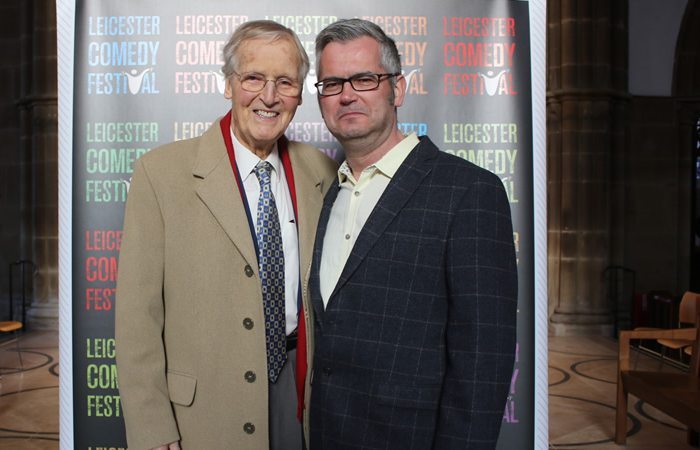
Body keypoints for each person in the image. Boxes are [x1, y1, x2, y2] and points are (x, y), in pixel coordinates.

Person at [115, 20, 337, 450]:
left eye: (285, 82)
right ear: (228, 84)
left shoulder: (323, 173)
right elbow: (136, 320)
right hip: (203, 412)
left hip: (301, 396)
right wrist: (152, 431)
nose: (268, 97)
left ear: (300, 93)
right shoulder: (160, 174)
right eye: (253, 78)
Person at [307, 19, 518, 449]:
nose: (346, 94)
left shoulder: (469, 191)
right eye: (331, 84)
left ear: (397, 90)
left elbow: (484, 362)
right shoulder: (329, 193)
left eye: (364, 79)